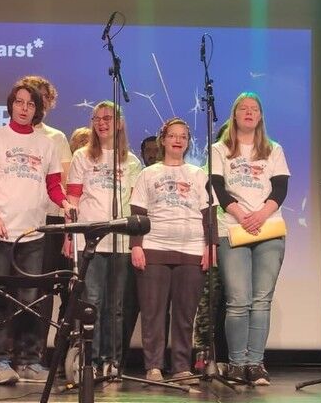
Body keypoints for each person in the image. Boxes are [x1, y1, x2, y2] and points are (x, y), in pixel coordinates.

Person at [0, 83, 75, 385]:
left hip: (33, 234)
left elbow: (53, 186)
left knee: (31, 298)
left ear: (37, 109)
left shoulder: (46, 144)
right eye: (19, 102)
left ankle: (29, 360)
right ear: (11, 105)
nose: (24, 108)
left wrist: (65, 203)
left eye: (30, 104)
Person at [209, 92, 289, 386]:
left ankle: (255, 364)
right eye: (243, 108)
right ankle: (236, 364)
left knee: (261, 301)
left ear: (260, 116)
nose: (249, 112)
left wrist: (261, 214)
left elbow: (280, 188)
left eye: (254, 109)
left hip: (268, 228)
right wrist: (242, 215)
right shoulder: (219, 149)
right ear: (234, 114)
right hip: (233, 227)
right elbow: (217, 187)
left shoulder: (273, 149)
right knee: (238, 301)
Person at [129, 118, 213, 382]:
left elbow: (209, 215)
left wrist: (210, 246)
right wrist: (136, 246)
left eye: (183, 137)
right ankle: (153, 365)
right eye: (173, 135)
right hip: (154, 247)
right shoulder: (147, 174)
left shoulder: (198, 175)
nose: (178, 140)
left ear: (188, 143)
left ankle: (181, 367)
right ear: (163, 140)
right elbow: (138, 214)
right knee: (152, 312)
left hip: (191, 249)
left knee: (185, 314)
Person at [64, 101, 143, 373]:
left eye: (107, 118)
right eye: (96, 118)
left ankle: (112, 361)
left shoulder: (131, 162)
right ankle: (92, 361)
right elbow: (73, 199)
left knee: (116, 306)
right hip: (92, 241)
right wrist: (69, 236)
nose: (101, 123)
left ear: (119, 123)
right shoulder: (82, 157)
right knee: (93, 302)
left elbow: (135, 203)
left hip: (120, 241)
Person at [16, 75, 73, 354]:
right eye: (29, 98)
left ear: (48, 104)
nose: (34, 105)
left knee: (43, 289)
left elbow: (62, 181)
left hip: (49, 220)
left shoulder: (56, 138)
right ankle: (9, 350)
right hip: (17, 220)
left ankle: (35, 352)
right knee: (15, 287)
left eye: (42, 99)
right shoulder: (5, 135)